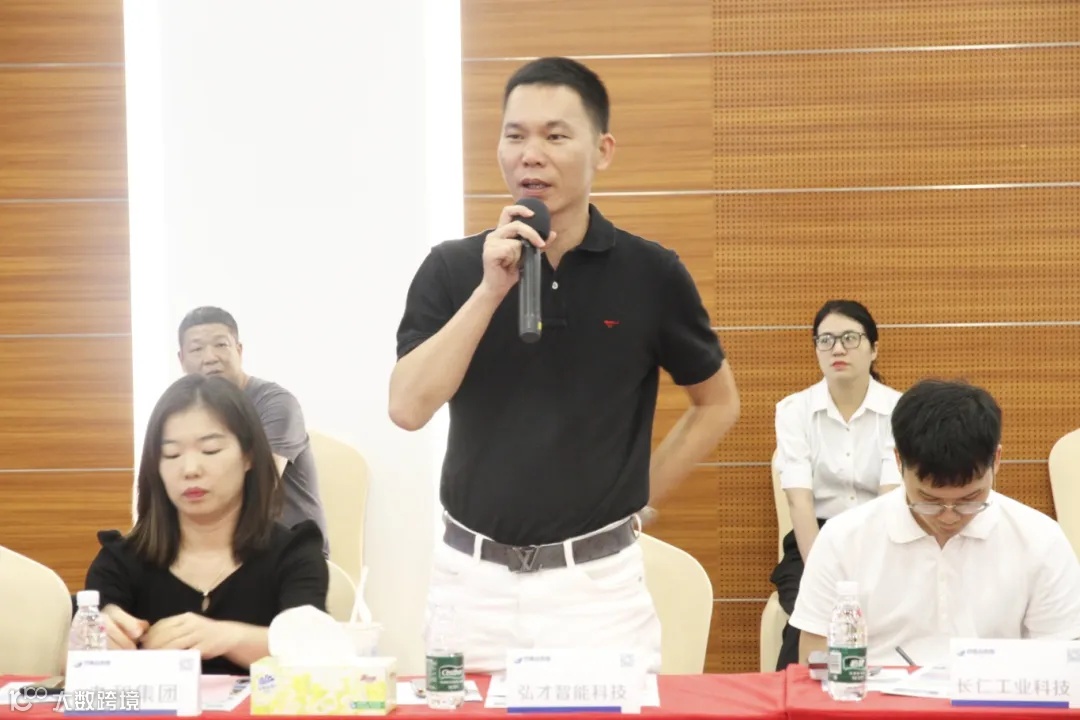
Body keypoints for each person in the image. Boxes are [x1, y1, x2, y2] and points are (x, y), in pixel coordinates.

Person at [390, 56, 740, 673]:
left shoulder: (651, 273)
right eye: (515, 135)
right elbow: (407, 408)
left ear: (602, 150)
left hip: (597, 594)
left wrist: (638, 499)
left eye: (555, 136)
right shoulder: (452, 268)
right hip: (470, 587)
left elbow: (717, 403)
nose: (531, 155)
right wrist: (490, 291)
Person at [790, 379, 1080, 666]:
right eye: (929, 500)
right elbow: (814, 661)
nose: (949, 516)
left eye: (970, 498)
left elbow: (1063, 662)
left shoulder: (1040, 540)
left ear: (997, 460)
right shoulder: (843, 539)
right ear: (898, 461)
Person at [85, 374, 329, 675]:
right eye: (171, 454)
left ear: (249, 456)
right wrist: (96, 639)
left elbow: (319, 654)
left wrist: (228, 637)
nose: (190, 469)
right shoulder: (119, 561)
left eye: (210, 450)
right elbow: (70, 670)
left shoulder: (294, 554)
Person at [770, 300, 902, 670]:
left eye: (849, 338)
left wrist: (865, 567)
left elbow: (889, 499)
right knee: (810, 617)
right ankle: (799, 695)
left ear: (874, 349)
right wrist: (821, 572)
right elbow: (799, 502)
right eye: (826, 340)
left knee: (883, 613)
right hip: (814, 540)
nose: (837, 349)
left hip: (883, 538)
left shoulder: (900, 410)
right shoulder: (793, 410)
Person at [177, 306, 330, 557]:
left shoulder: (276, 403)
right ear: (182, 360)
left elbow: (260, 486)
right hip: (227, 553)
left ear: (239, 350)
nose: (210, 357)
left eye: (221, 345)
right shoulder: (184, 414)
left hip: (291, 553)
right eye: (197, 349)